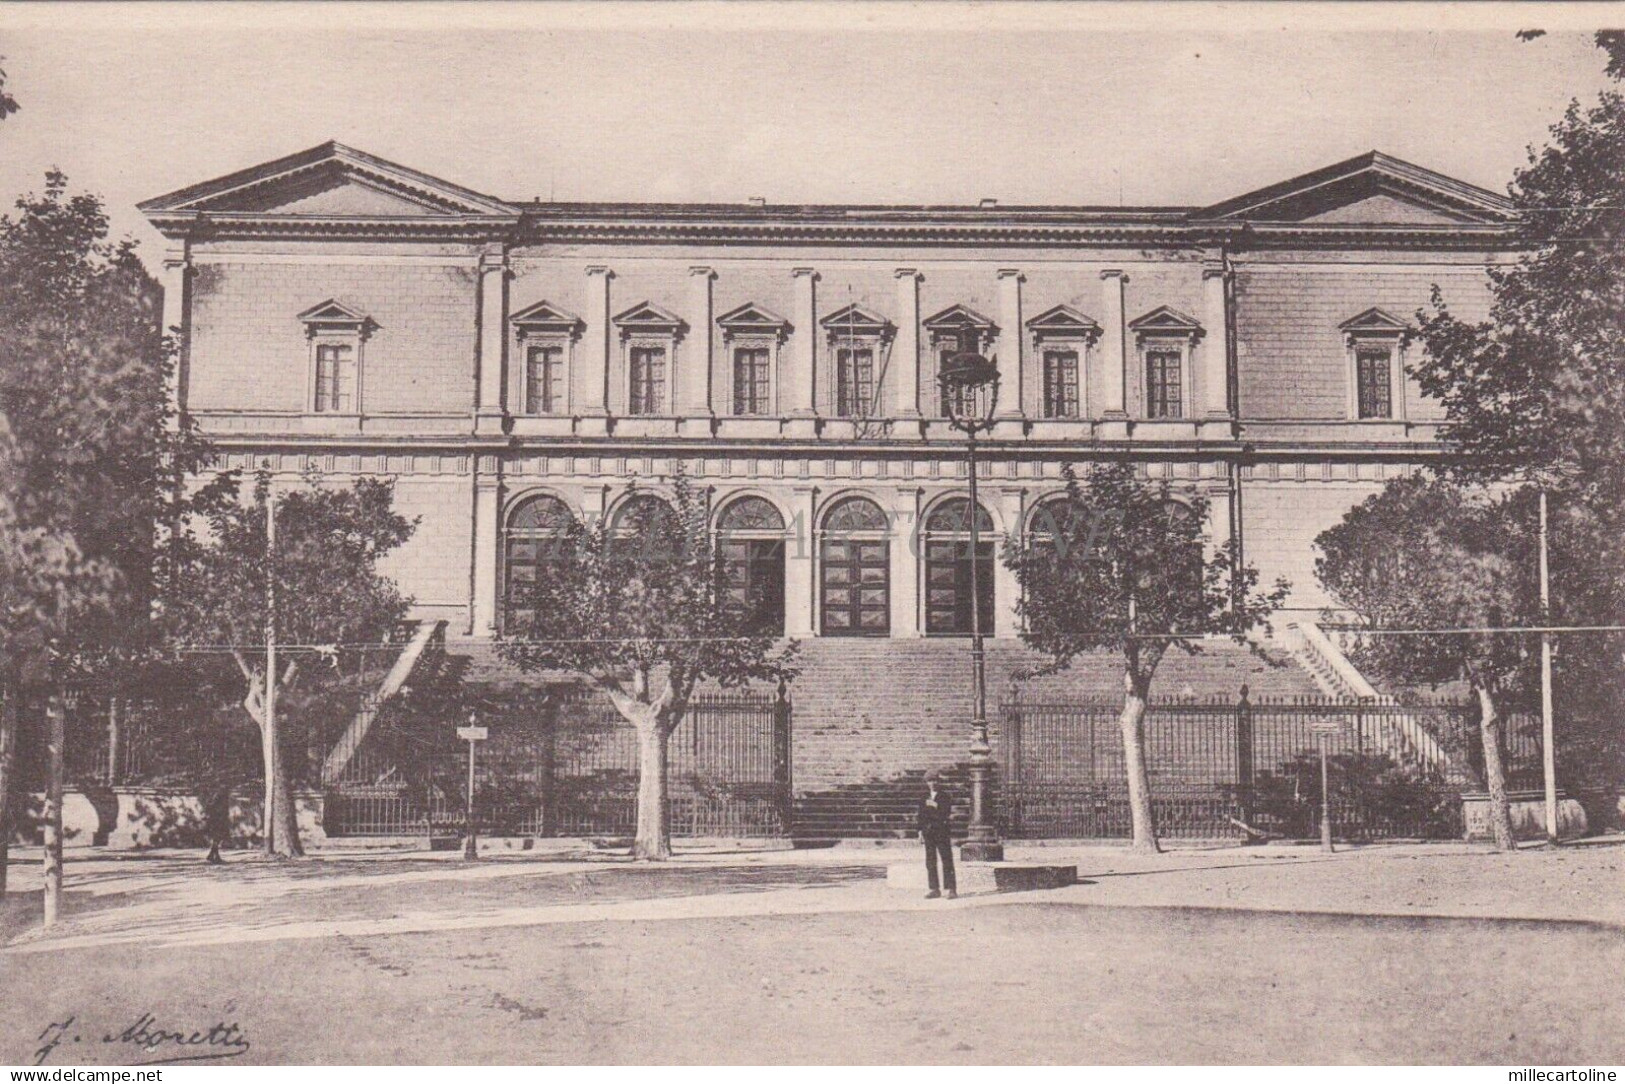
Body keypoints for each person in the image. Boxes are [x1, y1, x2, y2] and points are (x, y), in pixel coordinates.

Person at [917, 775, 957, 899]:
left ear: (938, 782)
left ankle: (951, 889)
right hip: (928, 832)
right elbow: (920, 815)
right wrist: (919, 831)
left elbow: (946, 813)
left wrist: (934, 806)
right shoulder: (924, 796)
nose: (932, 783)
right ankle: (934, 888)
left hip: (941, 831)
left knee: (946, 859)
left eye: (934, 780)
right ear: (927, 782)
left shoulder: (944, 796)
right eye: (930, 781)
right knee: (930, 860)